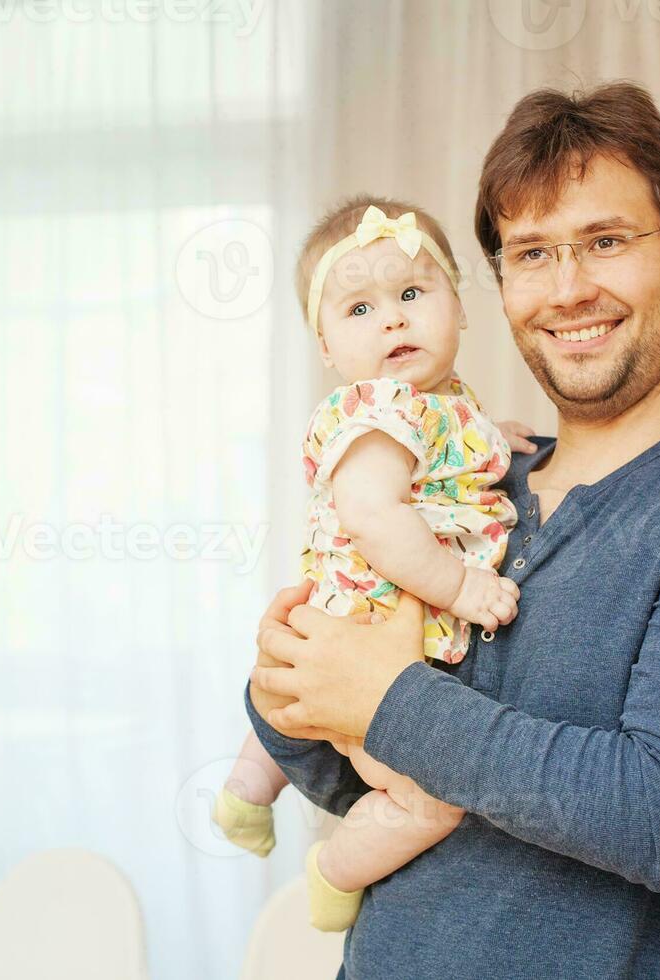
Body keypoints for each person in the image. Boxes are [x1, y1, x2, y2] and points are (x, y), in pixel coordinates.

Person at [245, 82, 660, 979]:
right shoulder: (468, 483)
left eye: (605, 241)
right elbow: (348, 776)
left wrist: (388, 697)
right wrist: (285, 684)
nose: (568, 289)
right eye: (531, 253)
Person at [211, 196, 530, 930]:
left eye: (412, 295)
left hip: (344, 623)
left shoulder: (439, 404)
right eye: (359, 309)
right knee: (431, 797)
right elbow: (374, 515)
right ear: (325, 347)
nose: (392, 319)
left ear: (460, 306)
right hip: (369, 627)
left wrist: (493, 437)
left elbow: (450, 457)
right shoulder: (381, 411)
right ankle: (332, 871)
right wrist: (462, 585)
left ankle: (243, 789)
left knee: (288, 692)